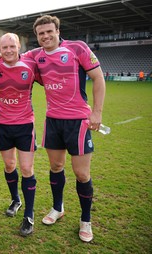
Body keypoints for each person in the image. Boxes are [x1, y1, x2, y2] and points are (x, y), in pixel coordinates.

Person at [24, 15, 106, 243]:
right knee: (56, 166)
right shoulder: (35, 55)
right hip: (53, 121)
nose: (46, 36)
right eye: (41, 33)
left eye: (49, 31)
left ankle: (85, 220)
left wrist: (97, 113)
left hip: (78, 121)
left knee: (81, 173)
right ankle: (58, 207)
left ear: (58, 31)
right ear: (37, 36)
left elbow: (98, 78)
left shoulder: (77, 48)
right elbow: (12, 58)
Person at [0, 33, 41, 236]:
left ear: (19, 46)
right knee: (10, 165)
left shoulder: (31, 65)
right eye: (4, 47)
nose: (8, 50)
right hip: (3, 124)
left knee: (27, 168)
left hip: (25, 124)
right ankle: (16, 200)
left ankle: (29, 214)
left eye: (12, 46)